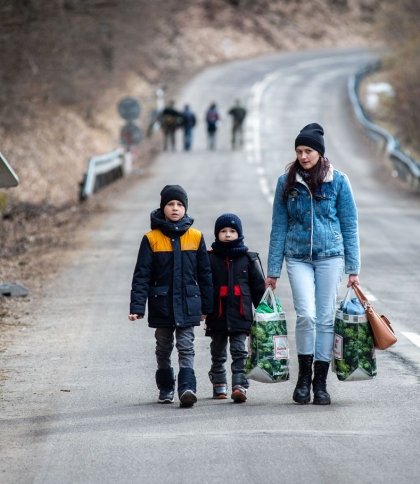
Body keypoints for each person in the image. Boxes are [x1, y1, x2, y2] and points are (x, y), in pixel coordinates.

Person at [265, 123, 360, 406]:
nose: (303, 156)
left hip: (331, 256)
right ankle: (303, 378)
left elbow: (349, 225)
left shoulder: (338, 181)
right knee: (306, 315)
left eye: (308, 151)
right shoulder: (287, 182)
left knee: (326, 318)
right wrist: (272, 271)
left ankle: (321, 383)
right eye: (299, 151)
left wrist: (353, 269)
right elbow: (278, 226)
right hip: (297, 258)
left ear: (319, 152)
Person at [129, 185, 213, 408]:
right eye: (170, 204)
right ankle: (166, 388)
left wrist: (207, 306)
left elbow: (205, 275)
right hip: (162, 304)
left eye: (179, 204)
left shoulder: (196, 237)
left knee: (186, 346)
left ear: (185, 208)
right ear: (163, 207)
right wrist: (137, 307)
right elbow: (142, 275)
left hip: (188, 303)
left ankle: (187, 388)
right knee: (163, 346)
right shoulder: (151, 239)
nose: (175, 208)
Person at [205, 213, 265, 403]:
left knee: (240, 351)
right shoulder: (210, 258)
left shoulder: (248, 258)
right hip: (217, 315)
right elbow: (204, 286)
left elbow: (257, 288)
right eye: (223, 231)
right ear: (217, 234)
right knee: (218, 352)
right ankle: (218, 383)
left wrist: (263, 311)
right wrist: (203, 310)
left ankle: (240, 385)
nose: (228, 234)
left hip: (241, 314)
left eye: (232, 231)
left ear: (239, 234)